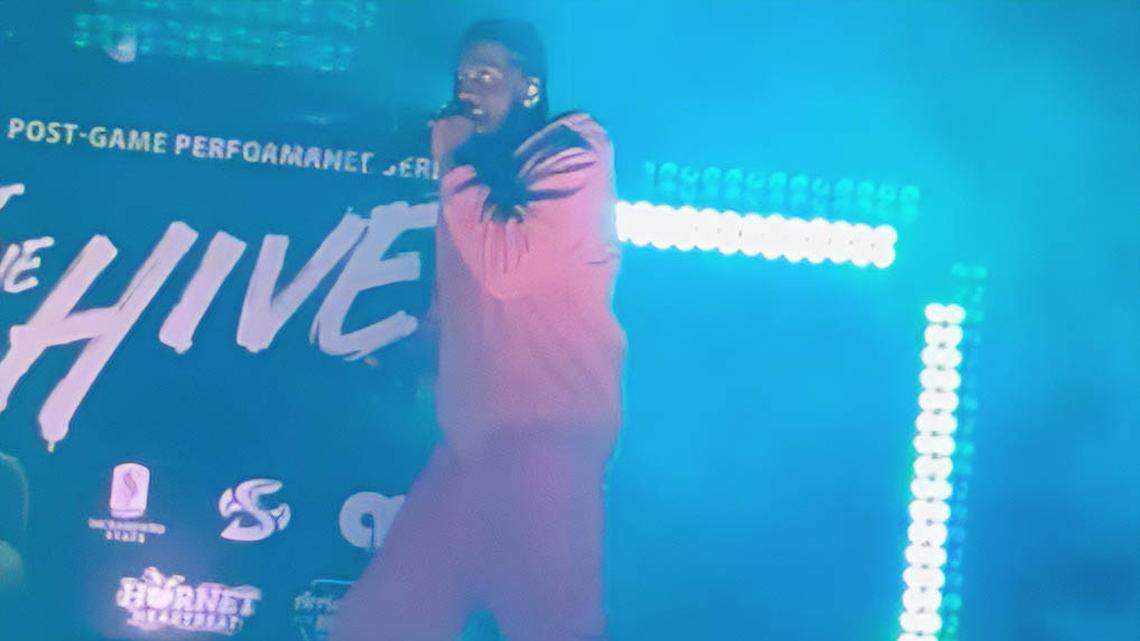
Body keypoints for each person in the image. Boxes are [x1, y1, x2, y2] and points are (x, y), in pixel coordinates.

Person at [331, 19, 625, 641]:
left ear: (528, 86)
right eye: (462, 75)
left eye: (486, 74)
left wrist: (453, 162)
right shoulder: (477, 173)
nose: (468, 89)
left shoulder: (573, 156)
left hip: (547, 450)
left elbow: (507, 269)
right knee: (379, 624)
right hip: (472, 449)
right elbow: (460, 298)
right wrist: (418, 352)